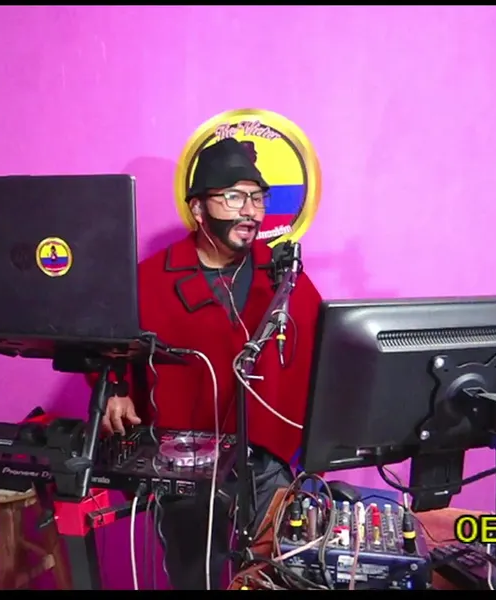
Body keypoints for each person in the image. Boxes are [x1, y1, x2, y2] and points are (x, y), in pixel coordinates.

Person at [91, 138, 323, 590]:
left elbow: (326, 352)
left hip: (267, 460)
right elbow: (106, 346)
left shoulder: (285, 277)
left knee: (273, 576)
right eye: (234, 197)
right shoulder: (150, 278)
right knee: (195, 577)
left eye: (257, 198)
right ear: (198, 209)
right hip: (185, 462)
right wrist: (115, 388)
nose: (250, 211)